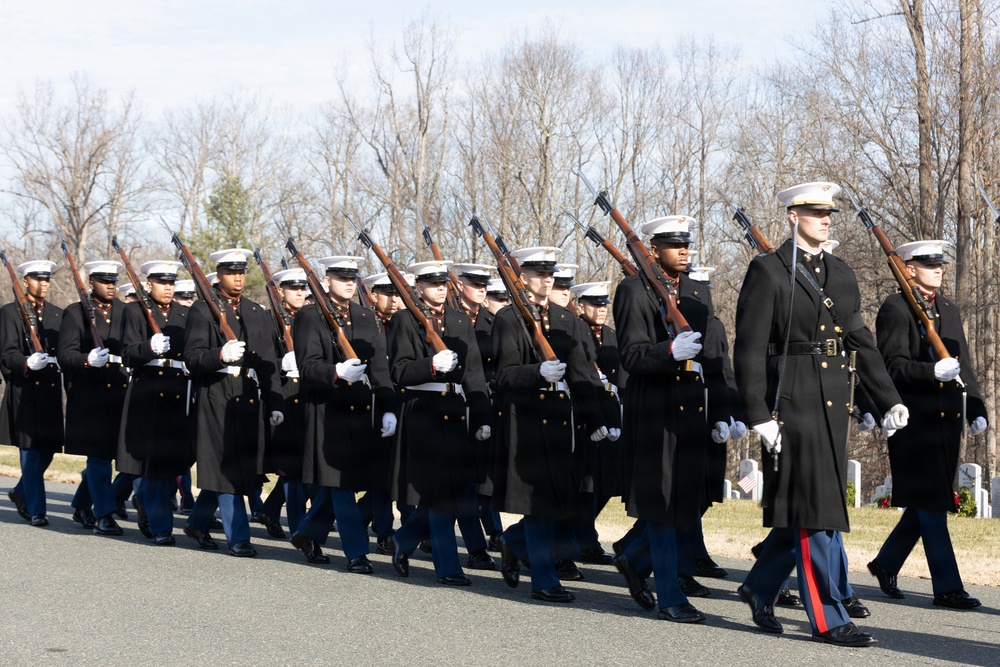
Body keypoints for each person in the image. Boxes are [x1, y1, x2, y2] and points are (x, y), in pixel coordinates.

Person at [733, 181, 907, 646]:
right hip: (792, 399)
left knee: (814, 506)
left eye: (828, 211)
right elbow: (748, 348)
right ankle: (829, 618)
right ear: (792, 215)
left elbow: (861, 343)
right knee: (815, 512)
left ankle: (759, 586)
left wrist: (888, 398)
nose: (825, 218)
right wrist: (758, 413)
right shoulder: (768, 271)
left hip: (833, 400)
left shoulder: (842, 273)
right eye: (814, 211)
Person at [611, 215, 731, 623]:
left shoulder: (696, 292)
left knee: (686, 502)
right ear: (652, 249)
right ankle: (670, 596)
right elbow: (629, 355)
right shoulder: (632, 290)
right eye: (674, 244)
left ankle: (634, 558)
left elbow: (714, 356)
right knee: (663, 504)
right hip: (656, 406)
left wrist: (723, 409)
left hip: (693, 404)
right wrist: (667, 352)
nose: (684, 251)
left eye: (687, 244)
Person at [868, 239, 985, 610]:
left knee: (925, 503)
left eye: (940, 264)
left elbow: (962, 363)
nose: (938, 268)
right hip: (914, 422)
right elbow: (890, 366)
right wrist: (930, 371)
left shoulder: (947, 308)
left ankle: (885, 564)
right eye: (928, 263)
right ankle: (948, 588)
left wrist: (976, 408)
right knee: (933, 505)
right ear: (909, 268)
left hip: (948, 423)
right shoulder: (895, 307)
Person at [491, 246, 610, 603]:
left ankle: (512, 542)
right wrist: (536, 372)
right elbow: (504, 376)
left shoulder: (566, 319)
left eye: (551, 273)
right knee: (539, 504)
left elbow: (582, 375)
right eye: (540, 273)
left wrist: (598, 417)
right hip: (526, 422)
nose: (548, 279)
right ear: (523, 277)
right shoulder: (508, 319)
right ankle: (543, 580)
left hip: (561, 422)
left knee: (558, 502)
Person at [387, 260, 493, 585]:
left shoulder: (459, 320)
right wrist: (430, 365)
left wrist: (482, 415)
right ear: (418, 287)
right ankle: (448, 567)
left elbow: (474, 373)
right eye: (431, 284)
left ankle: (403, 540)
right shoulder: (405, 320)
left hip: (456, 412)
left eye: (442, 284)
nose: (438, 289)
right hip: (423, 412)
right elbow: (400, 372)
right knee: (438, 493)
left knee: (458, 491)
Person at [290, 255, 396, 573]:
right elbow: (307, 367)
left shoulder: (364, 316)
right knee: (341, 485)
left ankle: (307, 533)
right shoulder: (309, 317)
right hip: (328, 412)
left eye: (353, 277)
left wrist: (388, 407)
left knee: (342, 482)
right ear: (327, 281)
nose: (349, 283)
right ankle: (356, 552)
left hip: (361, 412)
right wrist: (335, 371)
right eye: (341, 277)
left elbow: (380, 368)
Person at [182, 248, 284, 557]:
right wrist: (219, 355)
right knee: (225, 468)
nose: (237, 278)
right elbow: (192, 358)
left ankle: (198, 522)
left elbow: (268, 362)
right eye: (231, 273)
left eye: (241, 273)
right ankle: (238, 537)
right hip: (217, 394)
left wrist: (275, 400)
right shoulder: (203, 310)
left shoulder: (256, 311)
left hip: (248, 396)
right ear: (219, 275)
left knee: (237, 467)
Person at [117, 260, 193, 545]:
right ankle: (162, 527)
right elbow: (126, 353)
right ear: (149, 285)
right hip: (147, 393)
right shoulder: (133, 311)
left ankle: (148, 510)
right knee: (150, 466)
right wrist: (148, 348)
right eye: (163, 283)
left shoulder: (184, 315)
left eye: (172, 283)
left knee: (169, 464)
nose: (168, 288)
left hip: (177, 393)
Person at [58, 260, 130, 536]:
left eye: (114, 281)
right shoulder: (75, 313)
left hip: (121, 393)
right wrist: (86, 360)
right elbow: (65, 355)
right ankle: (105, 515)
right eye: (105, 281)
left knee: (112, 458)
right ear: (91, 283)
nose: (111, 286)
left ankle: (81, 505)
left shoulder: (126, 311)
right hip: (91, 397)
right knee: (99, 459)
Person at [1, 259, 63, 527]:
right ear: (25, 282)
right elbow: (6, 352)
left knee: (48, 450)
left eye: (47, 279)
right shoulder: (9, 312)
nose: (44, 284)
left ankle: (19, 492)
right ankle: (37, 509)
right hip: (24, 390)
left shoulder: (58, 314)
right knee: (30, 452)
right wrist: (25, 363)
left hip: (49, 390)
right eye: (38, 279)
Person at [569, 281, 624, 565]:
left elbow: (621, 375)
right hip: (585, 411)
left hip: (611, 412)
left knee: (606, 482)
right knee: (587, 483)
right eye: (594, 304)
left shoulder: (611, 335)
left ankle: (584, 536)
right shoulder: (575, 330)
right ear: (580, 306)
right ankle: (584, 540)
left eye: (604, 305)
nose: (601, 310)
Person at [257, 267, 312, 540]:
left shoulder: (312, 318)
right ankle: (300, 529)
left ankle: (269, 509)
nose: (300, 293)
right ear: (280, 292)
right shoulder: (268, 320)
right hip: (285, 395)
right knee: (292, 467)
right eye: (294, 288)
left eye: (303, 288)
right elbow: (260, 361)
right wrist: (282, 365)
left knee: (305, 465)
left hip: (310, 394)